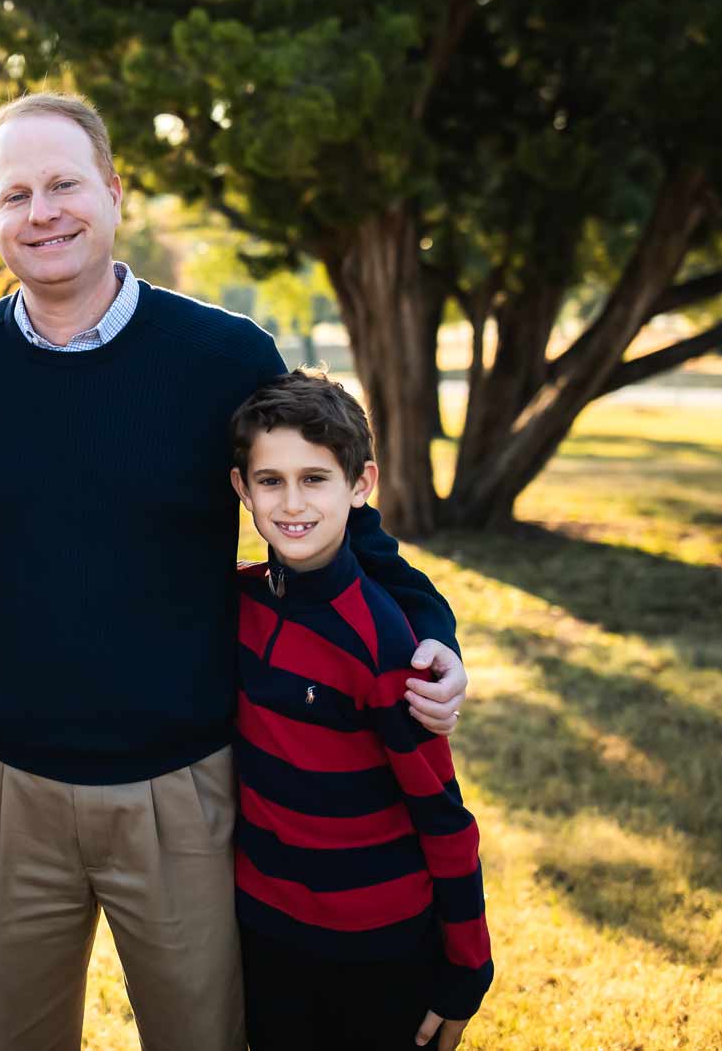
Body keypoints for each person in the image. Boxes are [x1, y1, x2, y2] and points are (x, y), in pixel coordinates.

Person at [0, 91, 469, 1051]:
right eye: (15, 194)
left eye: (64, 184)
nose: (42, 212)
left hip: (182, 784)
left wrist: (434, 632)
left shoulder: (223, 355)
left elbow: (339, 517)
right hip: (10, 785)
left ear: (115, 192)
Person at [227, 371, 492, 1050]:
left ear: (360, 484)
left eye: (315, 479)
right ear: (241, 489)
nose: (292, 503)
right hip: (267, 934)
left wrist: (467, 968)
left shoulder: (387, 644)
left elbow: (443, 816)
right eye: (270, 481)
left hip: (379, 950)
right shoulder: (237, 605)